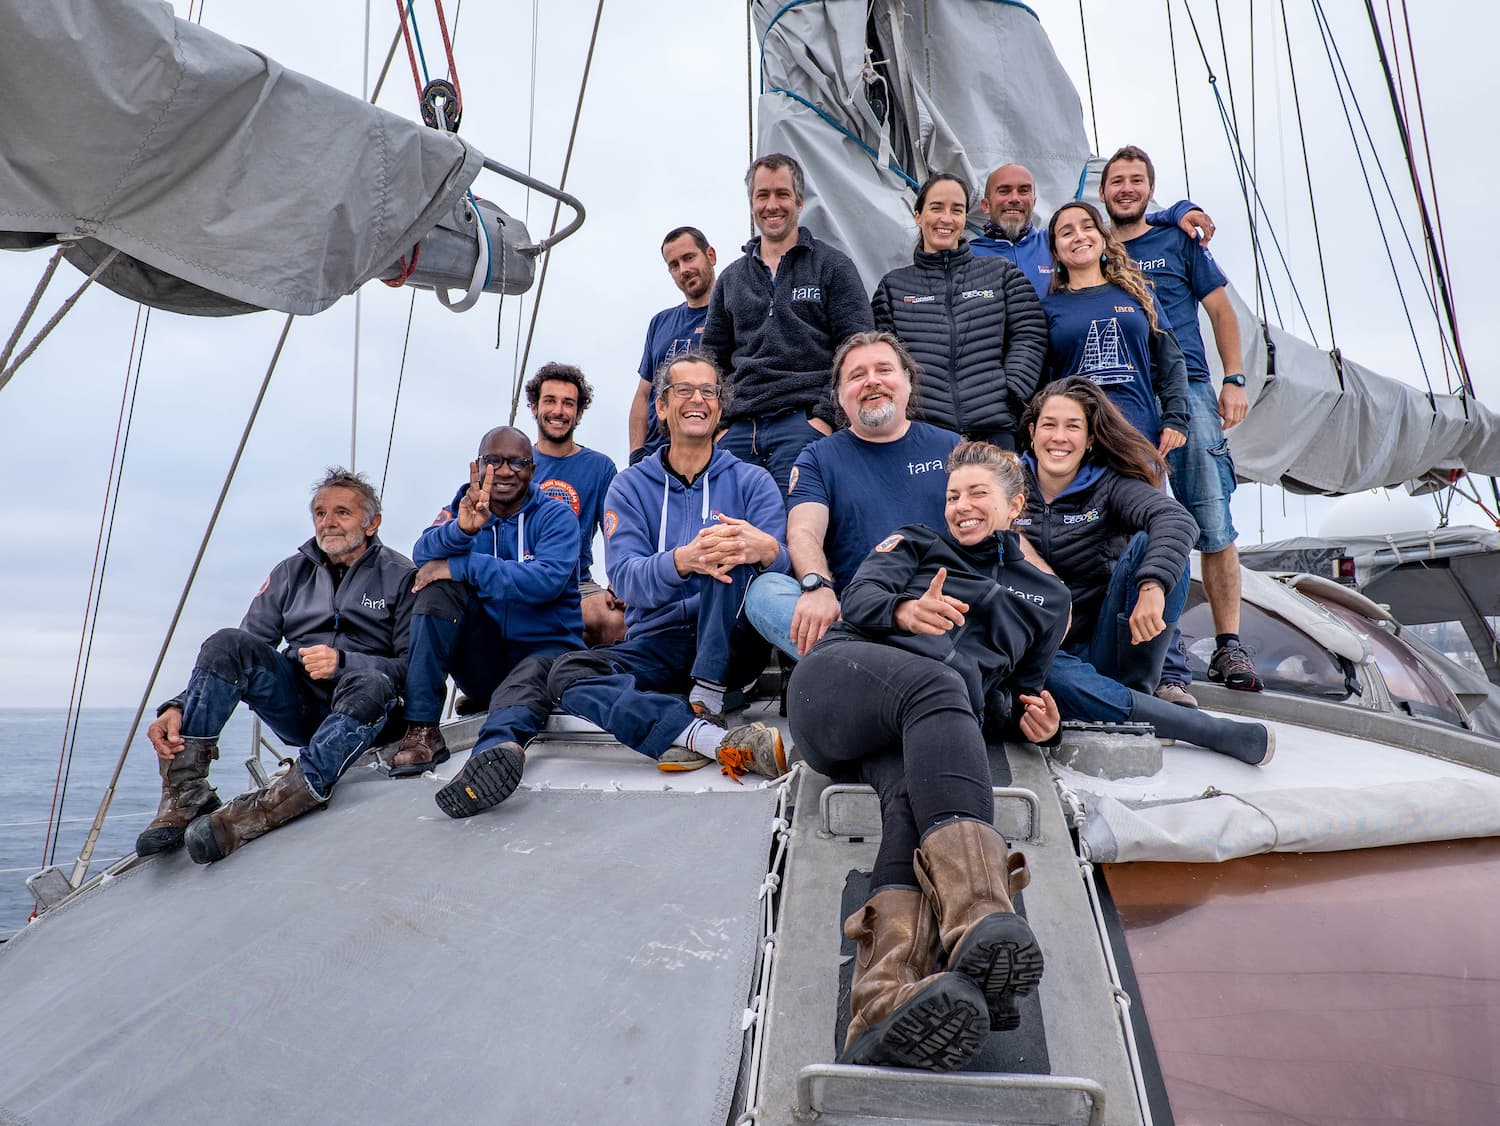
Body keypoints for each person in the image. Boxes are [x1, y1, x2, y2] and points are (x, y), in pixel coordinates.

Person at [787, 441, 1068, 1071]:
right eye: (952, 495)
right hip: (836, 688)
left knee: (911, 803)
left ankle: (881, 999)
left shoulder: (1049, 600)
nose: (960, 506)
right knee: (939, 685)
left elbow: (1012, 698)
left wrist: (1039, 726)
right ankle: (979, 916)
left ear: (1015, 505)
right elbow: (859, 599)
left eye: (977, 493)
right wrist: (905, 611)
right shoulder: (915, 543)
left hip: (917, 728)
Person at [434, 352, 789, 819]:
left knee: (733, 546)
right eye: (684, 390)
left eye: (708, 392)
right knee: (565, 671)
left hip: (733, 642)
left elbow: (779, 574)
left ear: (720, 408)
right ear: (661, 407)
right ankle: (706, 738)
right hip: (660, 642)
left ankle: (708, 697)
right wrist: (683, 561)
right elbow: (625, 579)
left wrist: (766, 549)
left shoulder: (753, 482)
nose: (697, 400)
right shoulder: (630, 486)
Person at [136, 469, 415, 864]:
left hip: (370, 712)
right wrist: (179, 706)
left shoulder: (401, 576)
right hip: (303, 707)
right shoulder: (290, 573)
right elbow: (242, 650)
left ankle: (275, 804)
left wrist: (343, 662)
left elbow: (413, 667)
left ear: (372, 523)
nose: (328, 522)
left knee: (371, 681)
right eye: (320, 513)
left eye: (342, 513)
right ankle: (187, 794)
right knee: (226, 642)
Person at [1017, 379, 1275, 765]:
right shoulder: (1007, 486)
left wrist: (1153, 583)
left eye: (1073, 426)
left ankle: (1132, 692)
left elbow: (1177, 520)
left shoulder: (1108, 485)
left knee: (1150, 543)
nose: (1059, 437)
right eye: (1049, 425)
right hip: (1045, 653)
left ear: (1090, 439)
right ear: (1032, 431)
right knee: (1051, 676)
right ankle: (1199, 729)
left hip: (1107, 646)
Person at [1101, 144, 1261, 697]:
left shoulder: (1178, 240)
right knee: (1134, 522)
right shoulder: (1097, 248)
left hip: (1189, 387)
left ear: (1151, 189)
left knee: (1212, 520)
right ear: (1102, 192)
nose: (1126, 189)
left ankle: (1228, 645)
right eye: (1117, 181)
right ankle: (1150, 652)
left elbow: (1220, 310)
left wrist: (1234, 378)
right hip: (1126, 394)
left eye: (1136, 180)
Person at [744, 330, 959, 659]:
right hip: (857, 616)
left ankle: (865, 670)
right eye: (857, 376)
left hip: (939, 607)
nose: (872, 381)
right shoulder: (818, 457)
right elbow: (803, 532)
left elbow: (996, 523)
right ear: (839, 396)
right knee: (765, 592)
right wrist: (817, 585)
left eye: (884, 370)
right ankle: (878, 666)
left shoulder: (952, 448)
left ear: (908, 381)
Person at [387, 427, 584, 779]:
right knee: (436, 589)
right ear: (478, 466)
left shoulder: (556, 517)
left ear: (532, 470)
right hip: (486, 662)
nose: (505, 471)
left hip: (545, 654)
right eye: (493, 461)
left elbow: (546, 582)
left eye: (516, 462)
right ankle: (422, 727)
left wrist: (462, 565)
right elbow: (422, 554)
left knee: (525, 681)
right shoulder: (463, 506)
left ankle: (492, 759)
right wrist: (462, 530)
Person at [702, 152, 875, 492]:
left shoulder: (833, 267)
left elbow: (858, 350)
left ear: (799, 200)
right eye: (762, 195)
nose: (772, 205)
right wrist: (720, 427)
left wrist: (824, 418)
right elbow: (711, 362)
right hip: (737, 433)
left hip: (804, 424)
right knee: (725, 524)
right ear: (751, 203)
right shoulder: (730, 280)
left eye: (782, 194)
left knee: (798, 521)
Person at [870, 172, 1047, 449]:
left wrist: (1011, 389)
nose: (946, 218)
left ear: (965, 218)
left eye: (957, 210)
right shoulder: (893, 287)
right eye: (936, 208)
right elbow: (883, 356)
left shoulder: (1001, 274)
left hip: (995, 428)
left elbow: (1031, 333)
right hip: (923, 430)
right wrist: (910, 403)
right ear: (918, 216)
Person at [1041, 200, 1190, 460]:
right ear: (1056, 252)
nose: (1079, 236)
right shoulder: (1047, 308)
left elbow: (1171, 359)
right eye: (1066, 232)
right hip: (1076, 444)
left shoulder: (1139, 294)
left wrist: (1176, 418)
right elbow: (1041, 381)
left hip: (1139, 436)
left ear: (1103, 238)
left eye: (1088, 227)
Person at [973, 162, 1213, 297]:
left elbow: (1121, 228)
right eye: (1004, 191)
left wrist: (1176, 212)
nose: (1015, 198)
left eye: (1024, 191)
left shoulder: (1055, 243)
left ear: (1033, 201)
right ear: (985, 205)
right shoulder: (968, 255)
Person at [526, 361, 626, 647]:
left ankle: (589, 673)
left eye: (568, 403)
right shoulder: (516, 463)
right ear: (534, 406)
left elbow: (618, 533)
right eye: (550, 401)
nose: (558, 411)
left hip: (576, 586)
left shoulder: (600, 467)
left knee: (617, 621)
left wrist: (620, 580)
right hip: (520, 578)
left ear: (579, 412)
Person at [630, 225, 717, 465]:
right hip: (655, 456)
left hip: (709, 452)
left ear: (710, 255)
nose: (683, 270)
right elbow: (643, 394)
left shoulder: (732, 314)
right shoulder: (660, 322)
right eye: (674, 265)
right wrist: (636, 453)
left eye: (689, 258)